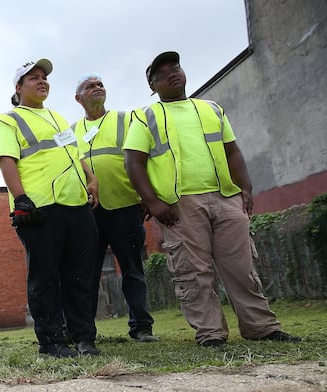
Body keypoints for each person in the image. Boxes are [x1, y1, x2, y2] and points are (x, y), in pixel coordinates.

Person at [124, 51, 302, 347]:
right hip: (180, 206)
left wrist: (245, 188)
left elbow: (232, 150)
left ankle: (261, 327)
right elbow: (133, 162)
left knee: (242, 267)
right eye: (163, 73)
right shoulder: (145, 116)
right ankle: (211, 333)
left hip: (225, 198)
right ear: (153, 86)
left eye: (176, 67)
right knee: (194, 273)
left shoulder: (211, 109)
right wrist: (154, 203)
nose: (172, 73)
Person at [0, 58, 101, 358]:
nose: (42, 81)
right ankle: (51, 341)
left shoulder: (59, 118)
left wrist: (91, 179)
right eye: (33, 78)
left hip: (75, 203)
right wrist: (20, 198)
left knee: (80, 275)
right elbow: (6, 158)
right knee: (45, 277)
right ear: (18, 87)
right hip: (40, 208)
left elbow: (73, 153)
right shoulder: (8, 120)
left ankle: (84, 338)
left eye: (44, 77)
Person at [73, 74, 159, 343]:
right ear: (78, 98)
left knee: (133, 270)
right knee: (86, 274)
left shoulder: (127, 120)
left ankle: (141, 327)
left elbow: (145, 159)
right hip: (88, 213)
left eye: (100, 84)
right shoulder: (71, 130)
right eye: (90, 86)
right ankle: (84, 331)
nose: (97, 88)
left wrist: (148, 195)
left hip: (125, 207)